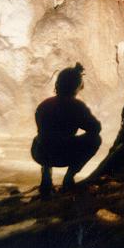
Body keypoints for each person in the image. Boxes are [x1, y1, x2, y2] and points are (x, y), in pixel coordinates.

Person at [31, 62, 101, 196]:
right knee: (95, 139)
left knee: (43, 138)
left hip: (40, 153)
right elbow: (96, 128)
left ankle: (46, 176)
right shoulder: (77, 106)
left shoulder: (44, 105)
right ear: (76, 86)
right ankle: (69, 178)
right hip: (63, 155)